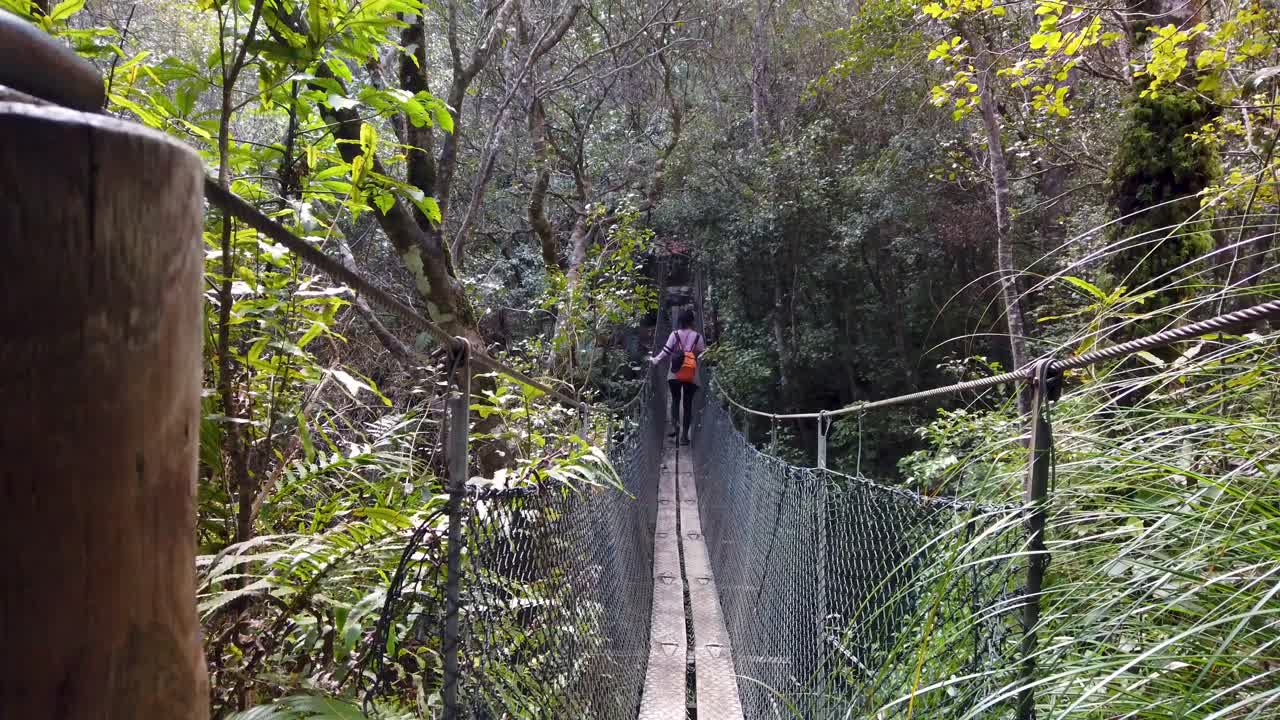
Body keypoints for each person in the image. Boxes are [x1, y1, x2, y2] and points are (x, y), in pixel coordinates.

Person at [650, 310, 705, 445]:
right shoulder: (698, 337)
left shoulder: (674, 335)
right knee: (687, 404)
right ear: (692, 322)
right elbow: (702, 354)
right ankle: (685, 436)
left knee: (675, 400)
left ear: (680, 322)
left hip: (675, 372)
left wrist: (656, 360)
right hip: (691, 373)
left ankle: (676, 427)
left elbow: (666, 351)